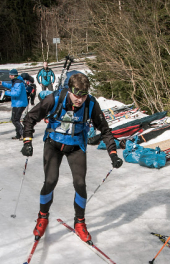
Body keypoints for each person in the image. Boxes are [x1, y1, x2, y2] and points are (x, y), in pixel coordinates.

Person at [20, 73, 123, 242]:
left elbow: (104, 129)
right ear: (69, 90)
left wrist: (113, 154)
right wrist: (27, 141)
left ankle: (80, 222)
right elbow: (30, 117)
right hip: (53, 144)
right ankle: (42, 216)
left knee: (80, 184)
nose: (80, 99)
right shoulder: (55, 99)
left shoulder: (90, 103)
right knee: (50, 181)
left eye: (83, 95)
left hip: (76, 146)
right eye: (77, 95)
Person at [0, 69, 28, 140]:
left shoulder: (19, 83)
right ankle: (18, 135)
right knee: (13, 119)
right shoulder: (16, 81)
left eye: (10, 75)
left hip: (20, 104)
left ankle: (23, 134)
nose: (9, 76)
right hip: (16, 103)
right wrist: (3, 83)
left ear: (14, 75)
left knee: (16, 120)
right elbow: (11, 86)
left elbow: (16, 93)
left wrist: (5, 93)